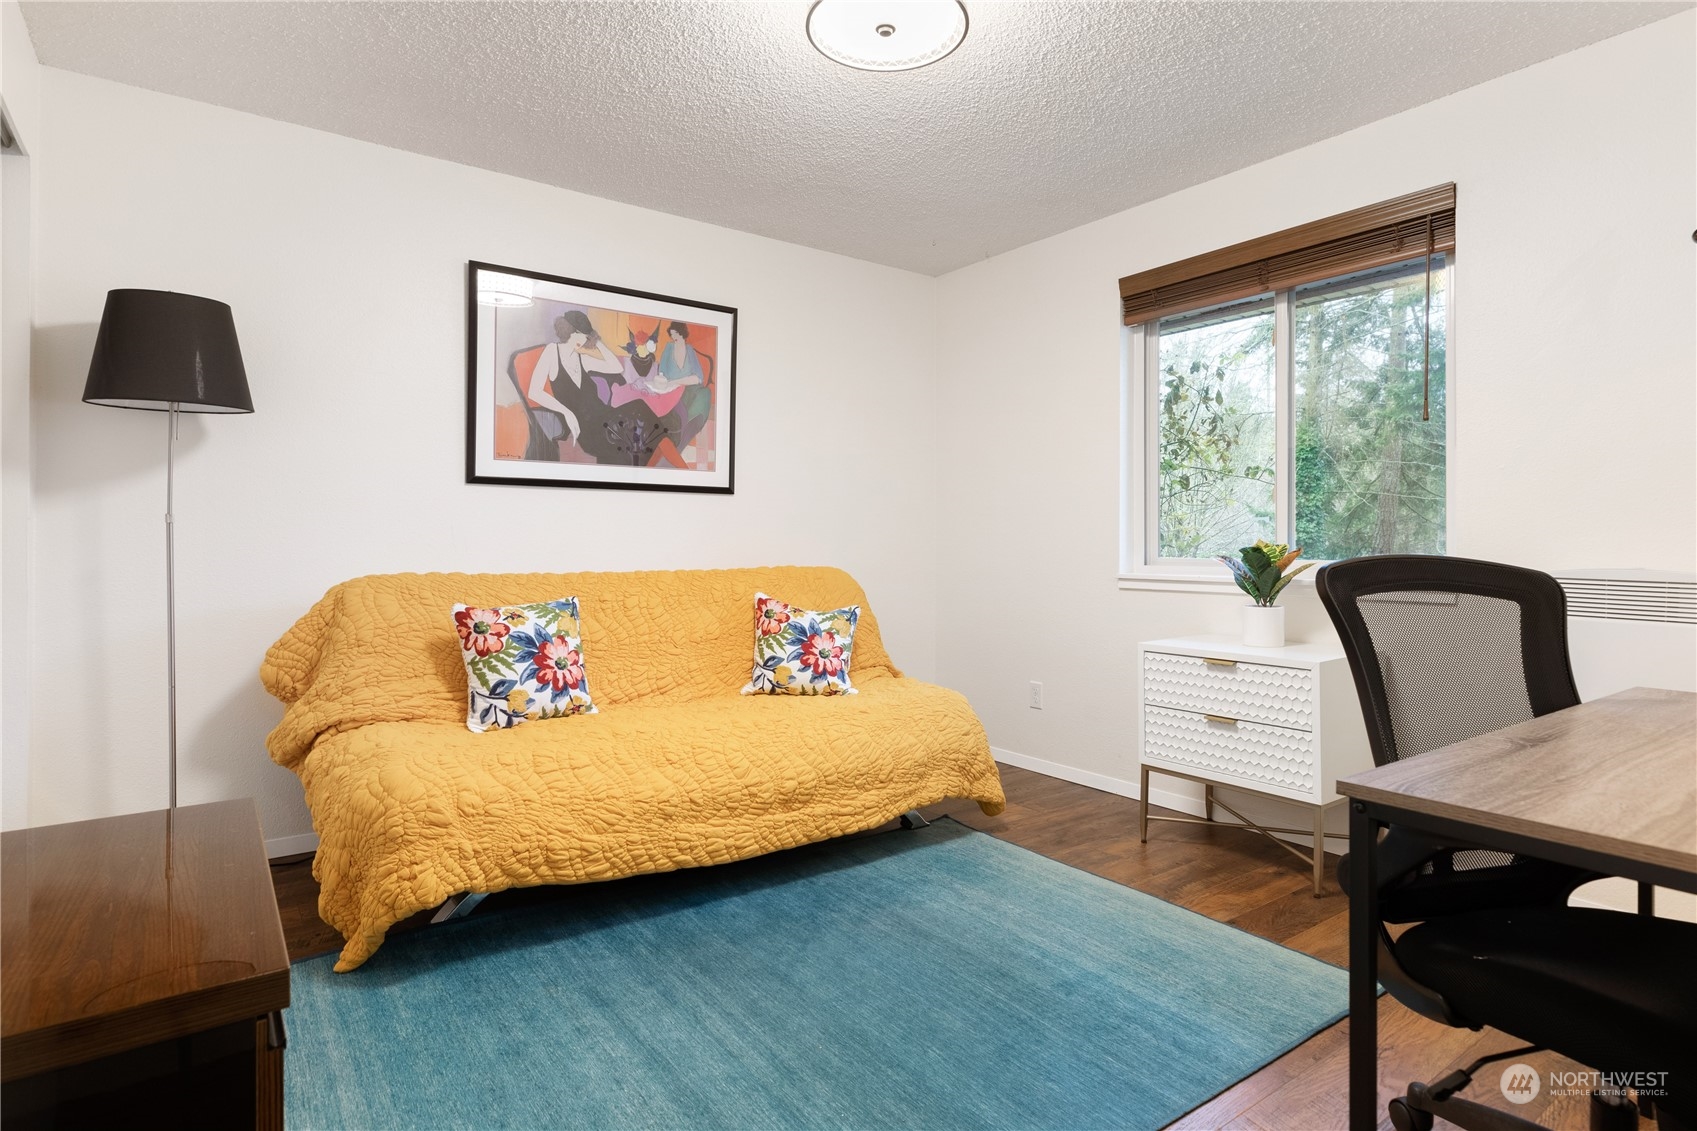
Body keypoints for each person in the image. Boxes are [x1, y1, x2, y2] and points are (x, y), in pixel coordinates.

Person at [526, 310, 684, 467]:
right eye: (580, 334)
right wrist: (566, 412)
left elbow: (615, 367)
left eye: (586, 335)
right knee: (634, 437)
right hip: (588, 429)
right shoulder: (552, 352)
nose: (583, 339)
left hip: (605, 415)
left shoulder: (583, 358)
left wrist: (597, 341)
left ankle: (680, 469)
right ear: (568, 330)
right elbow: (534, 391)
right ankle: (666, 470)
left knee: (641, 410)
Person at [654, 322, 712, 447]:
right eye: (672, 334)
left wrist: (676, 380)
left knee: (705, 393)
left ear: (682, 333)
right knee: (680, 409)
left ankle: (691, 426)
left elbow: (699, 378)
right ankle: (683, 435)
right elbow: (662, 374)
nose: (673, 336)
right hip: (672, 390)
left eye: (676, 333)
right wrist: (676, 382)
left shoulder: (690, 350)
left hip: (689, 389)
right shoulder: (668, 348)